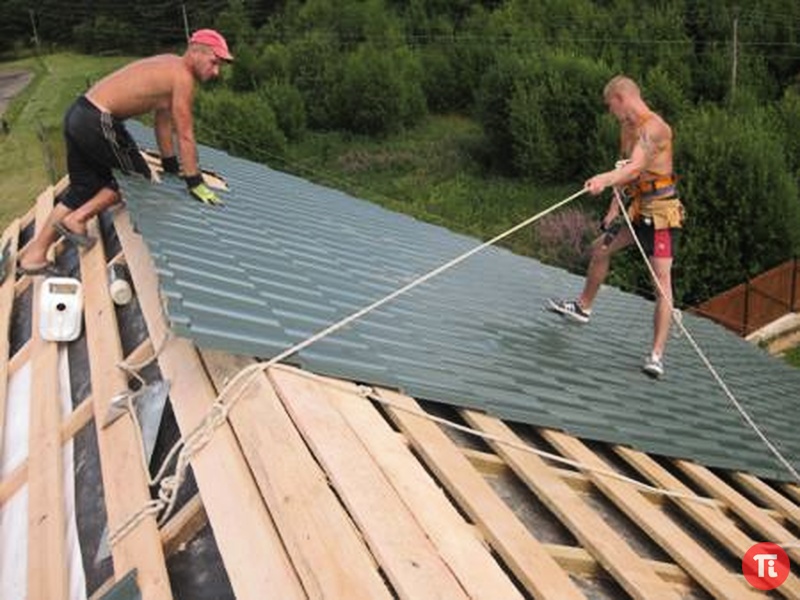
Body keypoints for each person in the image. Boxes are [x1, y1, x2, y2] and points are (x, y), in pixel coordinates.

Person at [18, 29, 233, 276]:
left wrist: (171, 165)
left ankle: (34, 255)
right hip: (98, 121)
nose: (216, 71)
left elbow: (163, 122)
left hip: (78, 114)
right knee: (136, 179)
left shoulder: (169, 66)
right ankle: (78, 219)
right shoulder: (183, 77)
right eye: (214, 62)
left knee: (82, 188)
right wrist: (195, 182)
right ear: (196, 52)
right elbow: (185, 134)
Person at [548, 75, 684, 378]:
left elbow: (636, 166)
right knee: (600, 249)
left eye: (611, 107)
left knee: (661, 282)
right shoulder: (627, 128)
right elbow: (628, 173)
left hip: (661, 217)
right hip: (635, 211)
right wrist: (613, 208)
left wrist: (601, 179)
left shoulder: (655, 128)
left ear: (621, 99)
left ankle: (656, 356)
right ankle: (583, 308)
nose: (612, 113)